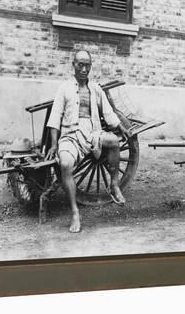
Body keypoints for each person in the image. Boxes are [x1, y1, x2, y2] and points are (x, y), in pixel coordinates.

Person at [44, 50, 132, 233]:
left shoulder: (96, 89)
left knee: (114, 141)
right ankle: (75, 212)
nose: (84, 69)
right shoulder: (64, 88)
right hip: (71, 134)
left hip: (92, 133)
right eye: (80, 65)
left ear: (90, 67)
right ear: (73, 65)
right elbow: (55, 117)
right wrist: (53, 144)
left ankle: (114, 185)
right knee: (66, 164)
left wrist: (120, 126)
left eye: (87, 65)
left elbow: (108, 113)